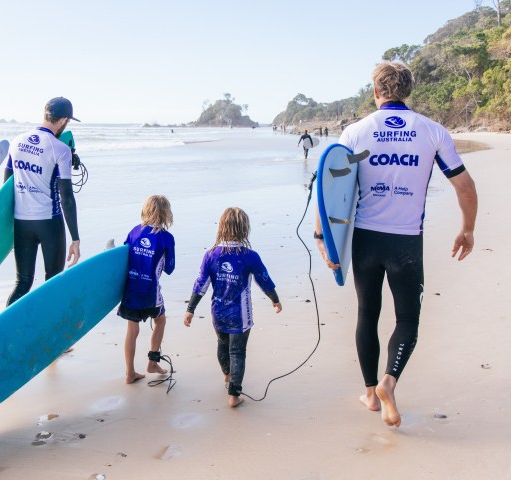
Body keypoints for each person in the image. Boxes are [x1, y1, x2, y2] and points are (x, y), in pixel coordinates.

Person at [314, 61, 477, 428]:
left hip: (366, 242)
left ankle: (371, 394)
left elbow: (329, 183)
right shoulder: (431, 132)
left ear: (375, 92)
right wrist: (467, 228)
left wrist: (324, 236)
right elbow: (464, 186)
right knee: (407, 318)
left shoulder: (357, 134)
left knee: (367, 314)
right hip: (406, 242)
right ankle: (390, 381)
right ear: (408, 90)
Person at [184, 207, 282, 407]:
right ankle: (234, 395)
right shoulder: (249, 256)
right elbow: (263, 279)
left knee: (222, 344)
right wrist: (275, 299)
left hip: (218, 312)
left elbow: (200, 284)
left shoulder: (211, 255)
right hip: (240, 314)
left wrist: (190, 309)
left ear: (221, 228)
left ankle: (227, 376)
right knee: (237, 351)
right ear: (244, 229)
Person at [4, 97, 81, 307]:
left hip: (21, 222)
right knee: (53, 283)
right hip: (49, 223)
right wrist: (75, 238)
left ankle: (7, 331)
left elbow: (7, 185)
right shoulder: (60, 149)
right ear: (64, 120)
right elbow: (66, 197)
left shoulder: (16, 141)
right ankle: (47, 333)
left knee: (22, 283)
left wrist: (7, 226)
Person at [117, 195, 175, 384]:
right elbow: (170, 268)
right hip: (150, 292)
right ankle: (152, 361)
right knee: (160, 320)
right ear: (166, 213)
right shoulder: (166, 238)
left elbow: (123, 258)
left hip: (131, 291)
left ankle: (129, 373)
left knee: (132, 330)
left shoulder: (134, 232)